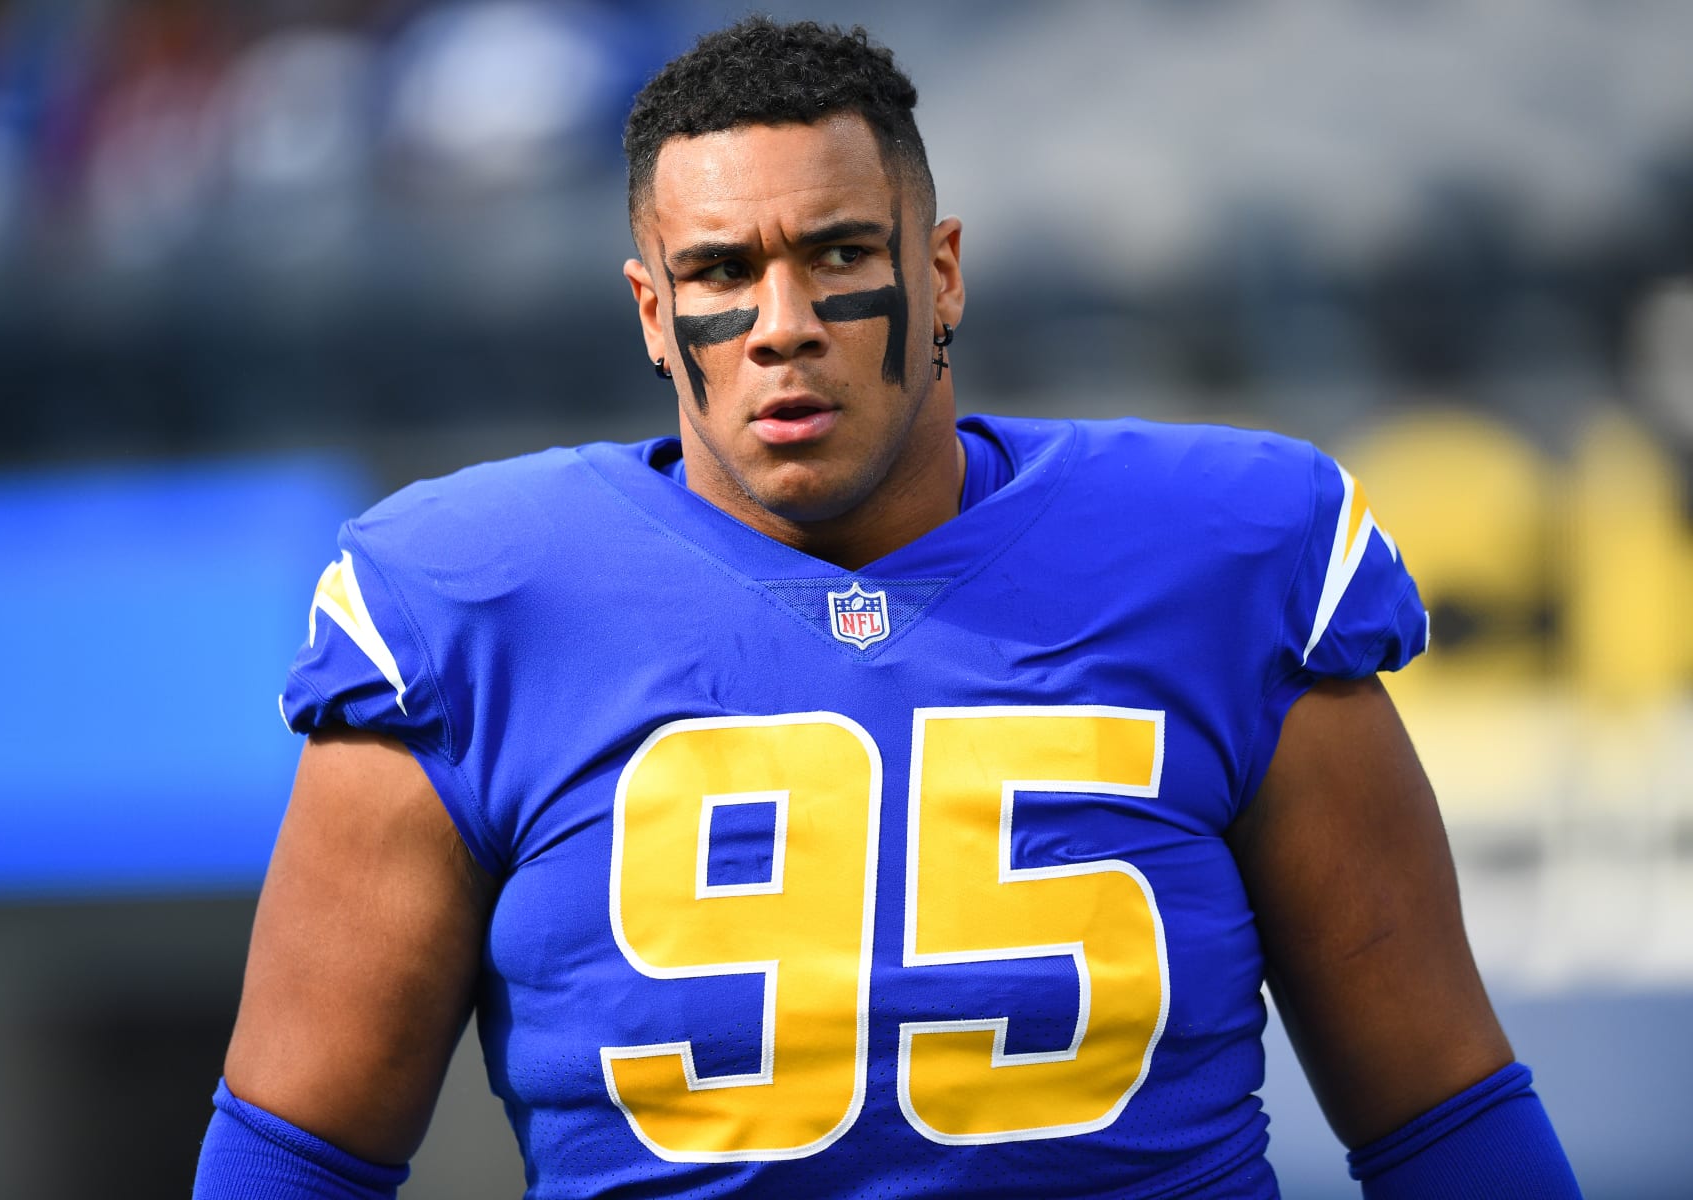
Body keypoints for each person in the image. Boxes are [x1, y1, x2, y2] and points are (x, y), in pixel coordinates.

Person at [194, 17, 1580, 1199]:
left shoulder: (1221, 559)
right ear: (650, 313)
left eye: (839, 255)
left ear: (941, 275)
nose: (783, 322)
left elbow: (1442, 1113)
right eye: (724, 273)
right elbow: (296, 1156)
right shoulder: (474, 602)